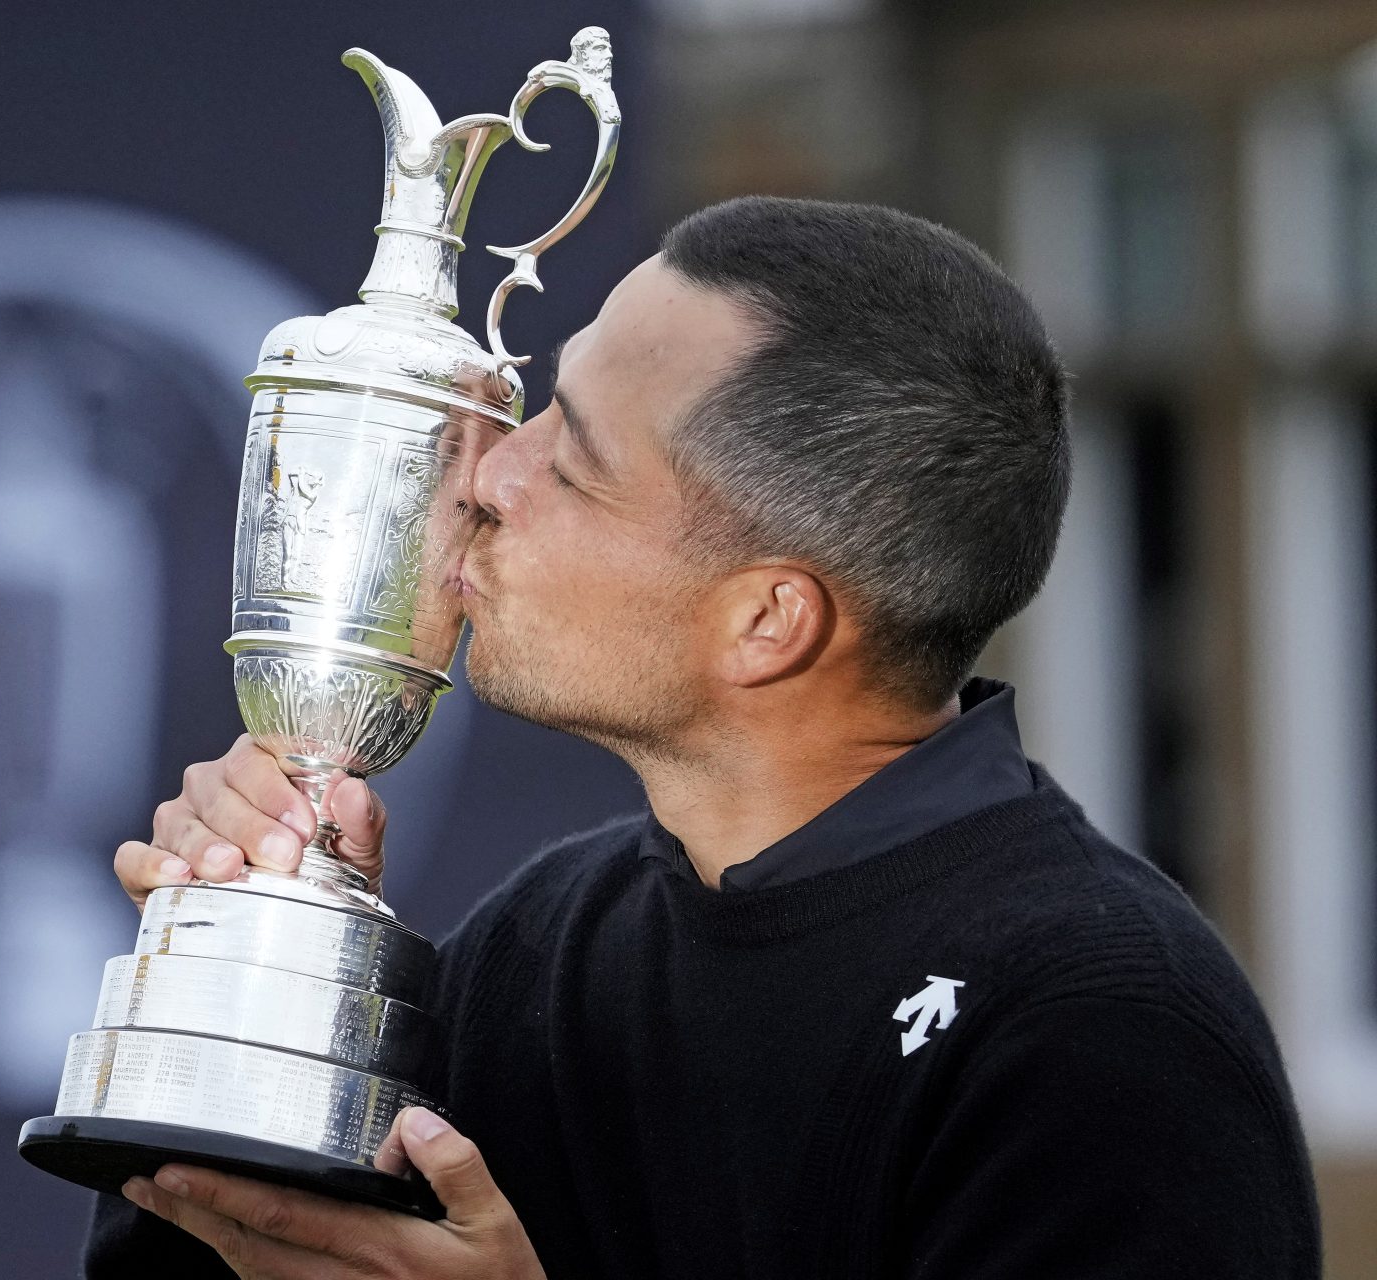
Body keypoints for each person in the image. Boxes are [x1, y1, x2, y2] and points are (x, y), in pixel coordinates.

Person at [89, 197, 1322, 1278]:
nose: (486, 477)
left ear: (768, 622)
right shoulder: (548, 944)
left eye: (573, 458)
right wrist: (260, 987)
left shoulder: (1103, 1031)